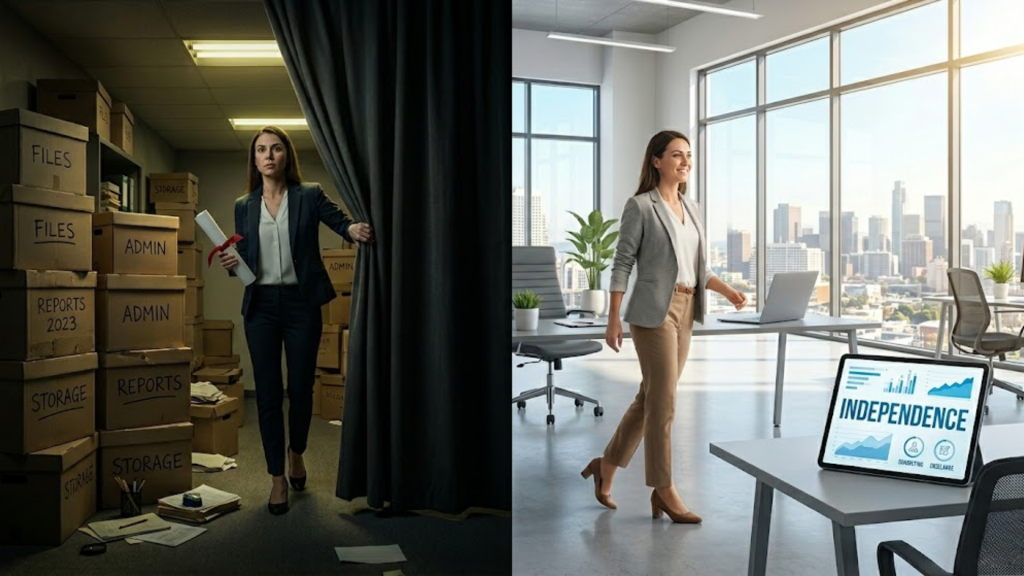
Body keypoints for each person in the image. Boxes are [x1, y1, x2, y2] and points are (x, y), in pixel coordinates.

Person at [580, 130, 747, 523]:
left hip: (688, 307)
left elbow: (700, 268)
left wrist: (728, 291)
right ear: (656, 161)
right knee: (664, 404)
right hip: (653, 312)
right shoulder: (640, 206)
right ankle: (663, 488)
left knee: (651, 396)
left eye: (688, 155)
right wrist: (613, 318)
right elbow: (622, 263)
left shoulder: (694, 209)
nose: (685, 161)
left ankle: (605, 465)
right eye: (676, 155)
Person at [219, 126, 374, 515]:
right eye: (261, 150)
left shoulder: (309, 195)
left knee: (301, 389)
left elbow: (339, 221)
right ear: (254, 160)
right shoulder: (244, 205)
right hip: (261, 307)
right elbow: (243, 257)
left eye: (275, 148)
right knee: (268, 395)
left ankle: (297, 452)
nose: (268, 155)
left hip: (301, 304)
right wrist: (230, 264)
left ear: (287, 155)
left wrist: (353, 229)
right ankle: (276, 478)